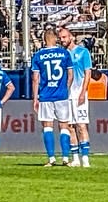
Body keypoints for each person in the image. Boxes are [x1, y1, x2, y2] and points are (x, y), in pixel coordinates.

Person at [30, 27, 74, 167]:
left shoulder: (38, 56)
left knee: (47, 126)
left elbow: (35, 79)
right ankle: (66, 158)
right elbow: (70, 75)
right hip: (61, 95)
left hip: (46, 95)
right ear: (55, 39)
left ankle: (51, 158)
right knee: (64, 126)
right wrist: (65, 87)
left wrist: (35, 97)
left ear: (44, 40)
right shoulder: (64, 53)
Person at [58, 27, 92, 168]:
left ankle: (85, 159)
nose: (62, 40)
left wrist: (83, 92)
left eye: (65, 37)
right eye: (60, 38)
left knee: (81, 125)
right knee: (70, 126)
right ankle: (75, 158)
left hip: (78, 93)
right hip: (66, 95)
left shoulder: (83, 52)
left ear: (71, 37)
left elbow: (87, 73)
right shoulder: (61, 54)